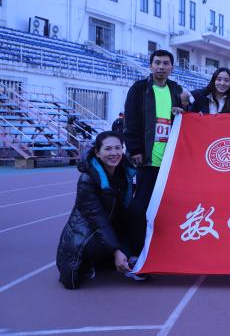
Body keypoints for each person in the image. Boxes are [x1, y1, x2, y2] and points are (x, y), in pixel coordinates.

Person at [56, 131, 140, 289]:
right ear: (97, 152)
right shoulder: (87, 179)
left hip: (110, 227)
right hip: (87, 232)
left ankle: (111, 259)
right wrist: (116, 250)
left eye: (118, 148)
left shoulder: (124, 173)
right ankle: (91, 263)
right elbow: (98, 219)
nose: (114, 153)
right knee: (94, 248)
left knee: (139, 216)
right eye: (108, 149)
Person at [123, 49, 187, 254]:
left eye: (165, 63)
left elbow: (188, 118)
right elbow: (130, 121)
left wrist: (183, 110)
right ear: (150, 66)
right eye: (157, 63)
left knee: (168, 206)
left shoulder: (176, 90)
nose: (161, 67)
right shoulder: (139, 89)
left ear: (172, 67)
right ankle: (136, 250)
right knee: (140, 206)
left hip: (171, 161)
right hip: (148, 159)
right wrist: (135, 149)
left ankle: (163, 249)